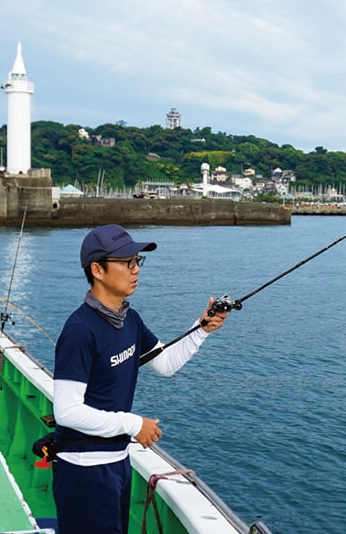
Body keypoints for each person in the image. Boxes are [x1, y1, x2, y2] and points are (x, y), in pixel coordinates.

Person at [51, 224, 228, 534]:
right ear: (98, 270)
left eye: (138, 261)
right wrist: (134, 425)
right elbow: (66, 411)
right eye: (127, 262)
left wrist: (200, 329)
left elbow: (165, 363)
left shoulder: (129, 319)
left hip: (118, 462)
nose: (136, 270)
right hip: (84, 470)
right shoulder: (80, 330)